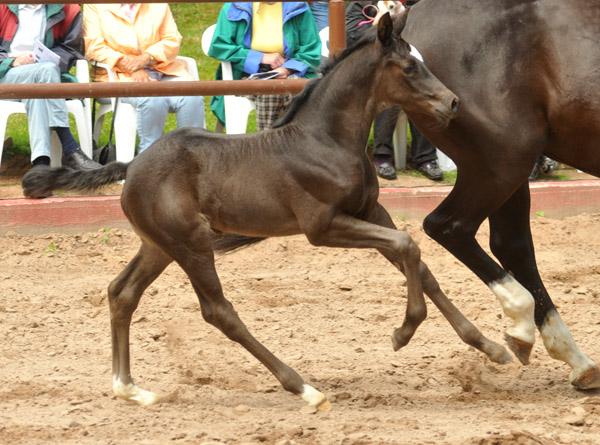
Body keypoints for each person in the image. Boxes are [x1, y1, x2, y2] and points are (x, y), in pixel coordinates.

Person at [83, 3, 205, 154]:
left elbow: (172, 39)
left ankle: (192, 159)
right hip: (117, 76)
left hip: (161, 69)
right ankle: (149, 162)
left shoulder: (158, 4)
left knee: (191, 95)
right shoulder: (95, 5)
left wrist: (147, 58)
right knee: (153, 98)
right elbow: (93, 47)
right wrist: (131, 66)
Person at [346, 0, 443, 181]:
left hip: (406, 66)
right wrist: (377, 24)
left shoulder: (415, 6)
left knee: (421, 91)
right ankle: (382, 156)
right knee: (390, 90)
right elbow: (352, 37)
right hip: (373, 69)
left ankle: (425, 158)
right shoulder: (360, 5)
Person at [0, 4, 101, 170]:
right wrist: (12, 60)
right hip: (6, 74)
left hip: (42, 79)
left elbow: (72, 49)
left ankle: (41, 167)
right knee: (45, 72)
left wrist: (45, 59)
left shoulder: (68, 9)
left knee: (38, 90)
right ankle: (69, 146)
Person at [208, 2, 321, 131]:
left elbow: (311, 50)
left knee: (296, 88)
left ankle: (289, 144)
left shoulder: (298, 6)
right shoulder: (235, 5)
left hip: (292, 72)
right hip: (245, 75)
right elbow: (219, 46)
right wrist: (259, 58)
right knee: (271, 89)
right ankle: (269, 143)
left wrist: (286, 69)